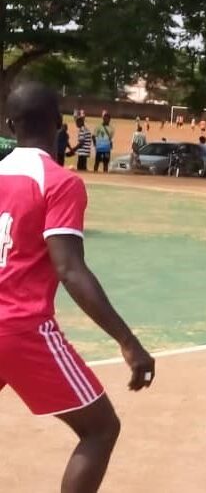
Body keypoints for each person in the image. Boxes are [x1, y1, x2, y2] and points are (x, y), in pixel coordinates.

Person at [0, 82, 155, 491]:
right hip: (22, 330)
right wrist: (128, 341)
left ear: (9, 124)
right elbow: (70, 270)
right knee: (100, 428)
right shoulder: (59, 182)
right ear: (58, 122)